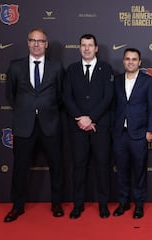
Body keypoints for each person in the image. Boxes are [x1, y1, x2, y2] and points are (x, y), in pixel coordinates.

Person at [4, 27, 64, 222]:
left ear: (46, 44)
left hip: (50, 124)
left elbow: (61, 96)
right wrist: (26, 109)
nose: (36, 44)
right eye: (32, 40)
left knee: (56, 166)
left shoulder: (56, 67)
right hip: (24, 125)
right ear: (28, 43)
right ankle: (17, 206)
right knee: (20, 168)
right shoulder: (15, 66)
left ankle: (56, 204)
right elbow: (10, 95)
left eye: (40, 41)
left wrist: (46, 110)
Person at [63, 34, 114, 219]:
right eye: (83, 45)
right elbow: (66, 97)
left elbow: (108, 97)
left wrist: (90, 118)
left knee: (102, 166)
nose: (86, 48)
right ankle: (78, 205)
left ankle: (103, 204)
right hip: (78, 128)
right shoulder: (72, 69)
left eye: (90, 45)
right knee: (78, 166)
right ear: (79, 48)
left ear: (96, 48)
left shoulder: (106, 69)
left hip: (100, 127)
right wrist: (80, 118)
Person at [112, 48, 152, 219]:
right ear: (123, 61)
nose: (130, 62)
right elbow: (113, 107)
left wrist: (150, 130)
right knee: (122, 171)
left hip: (139, 134)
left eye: (134, 59)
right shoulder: (115, 80)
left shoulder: (148, 82)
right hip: (119, 134)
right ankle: (123, 202)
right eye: (127, 58)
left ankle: (139, 205)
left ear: (139, 62)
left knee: (139, 172)